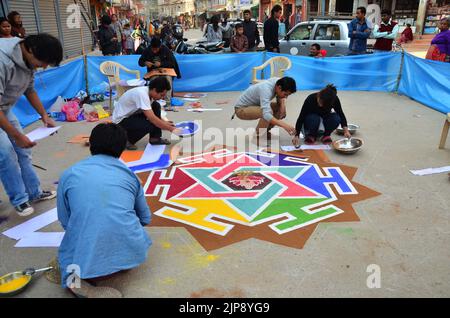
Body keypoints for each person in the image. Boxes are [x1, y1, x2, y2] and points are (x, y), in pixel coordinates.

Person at [57, 123, 152, 298]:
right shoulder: (130, 175)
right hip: (133, 251)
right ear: (122, 149)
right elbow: (145, 217)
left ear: (91, 145)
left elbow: (64, 220)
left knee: (68, 249)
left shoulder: (69, 174)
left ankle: (74, 283)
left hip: (88, 252)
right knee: (131, 228)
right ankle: (122, 259)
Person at [0, 34, 62, 216]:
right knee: (6, 154)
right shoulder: (3, 61)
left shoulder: (29, 58)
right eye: (43, 62)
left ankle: (34, 193)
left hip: (4, 107)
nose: (43, 67)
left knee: (23, 151)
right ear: (31, 50)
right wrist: (17, 136)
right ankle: (19, 199)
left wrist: (44, 115)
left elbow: (30, 89)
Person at [112, 77, 182, 150]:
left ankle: (154, 138)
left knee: (156, 105)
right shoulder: (142, 94)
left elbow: (153, 114)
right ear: (154, 90)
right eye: (161, 95)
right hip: (120, 121)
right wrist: (171, 129)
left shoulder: (148, 92)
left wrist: (164, 122)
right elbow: (153, 119)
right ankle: (127, 140)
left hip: (131, 115)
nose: (162, 98)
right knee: (150, 124)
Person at [138, 37, 181, 111]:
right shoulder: (147, 50)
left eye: (156, 49)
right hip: (153, 71)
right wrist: (145, 63)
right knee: (154, 80)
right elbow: (140, 62)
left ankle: (167, 103)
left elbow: (172, 63)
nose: (154, 51)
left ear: (160, 46)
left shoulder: (165, 49)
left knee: (167, 79)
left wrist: (161, 63)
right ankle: (154, 102)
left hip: (166, 71)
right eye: (153, 49)